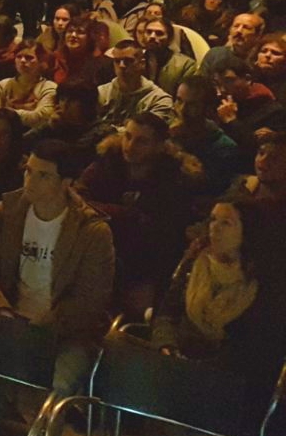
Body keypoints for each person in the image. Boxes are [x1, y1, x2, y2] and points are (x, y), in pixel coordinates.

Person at [0, 140, 115, 414]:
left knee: (52, 387)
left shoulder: (91, 231)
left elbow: (90, 299)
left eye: (43, 175)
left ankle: (32, 420)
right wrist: (0, 308)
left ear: (66, 182)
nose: (30, 181)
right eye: (28, 171)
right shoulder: (9, 211)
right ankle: (13, 420)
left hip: (64, 333)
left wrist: (43, 326)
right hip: (10, 319)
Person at [150, 197, 286, 413]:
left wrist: (203, 369)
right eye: (213, 220)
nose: (215, 227)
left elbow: (256, 347)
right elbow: (167, 313)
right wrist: (166, 346)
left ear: (247, 232)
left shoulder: (264, 283)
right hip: (177, 363)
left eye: (226, 223)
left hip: (230, 381)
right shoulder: (195, 263)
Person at [76, 111, 201, 317]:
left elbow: (166, 236)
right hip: (97, 252)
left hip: (144, 264)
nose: (130, 146)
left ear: (159, 146)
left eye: (142, 141)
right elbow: (79, 200)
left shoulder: (174, 180)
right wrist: (128, 215)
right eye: (128, 136)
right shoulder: (108, 162)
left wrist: (149, 282)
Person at [98, 39, 175, 126]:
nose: (121, 65)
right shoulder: (101, 93)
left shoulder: (158, 100)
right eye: (117, 61)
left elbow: (148, 132)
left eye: (128, 61)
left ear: (142, 63)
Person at [0, 41, 57, 129]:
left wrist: (6, 111)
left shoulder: (49, 87)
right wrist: (24, 109)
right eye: (19, 57)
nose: (22, 60)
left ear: (41, 61)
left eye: (29, 57)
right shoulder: (3, 85)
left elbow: (41, 117)